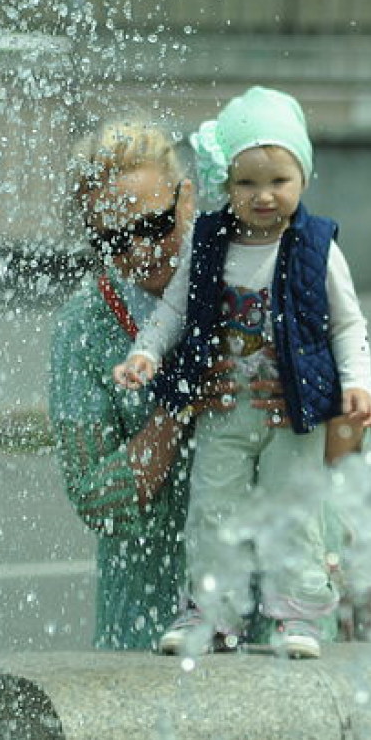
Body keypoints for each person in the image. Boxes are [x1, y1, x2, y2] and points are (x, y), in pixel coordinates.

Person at [112, 86, 371, 659]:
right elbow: (175, 310)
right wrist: (146, 354)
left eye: (278, 180)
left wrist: (356, 387)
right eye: (246, 183)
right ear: (225, 184)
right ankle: (212, 612)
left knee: (294, 513)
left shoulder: (316, 247)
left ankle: (299, 615)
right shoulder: (209, 244)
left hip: (292, 411)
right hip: (225, 407)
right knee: (213, 509)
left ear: (303, 177)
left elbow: (347, 326)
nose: (263, 196)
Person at [49, 120, 269, 651]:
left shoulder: (260, 277)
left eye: (155, 224)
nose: (142, 251)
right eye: (115, 241)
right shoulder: (85, 326)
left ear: (188, 197)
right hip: (145, 628)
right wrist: (177, 405)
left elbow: (346, 458)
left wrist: (320, 407)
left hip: (273, 614)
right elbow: (98, 500)